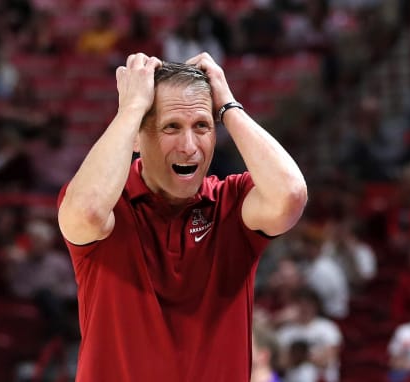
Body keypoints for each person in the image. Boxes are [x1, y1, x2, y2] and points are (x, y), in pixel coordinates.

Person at [57, 52, 307, 381]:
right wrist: (131, 108)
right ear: (136, 135)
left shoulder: (231, 203)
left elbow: (290, 195)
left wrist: (227, 104)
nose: (189, 146)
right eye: (171, 127)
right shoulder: (108, 203)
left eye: (202, 126)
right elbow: (87, 210)